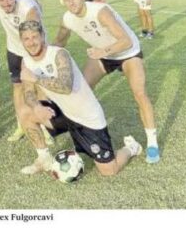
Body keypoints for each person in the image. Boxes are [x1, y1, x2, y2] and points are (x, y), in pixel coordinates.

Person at [53, 0, 160, 163]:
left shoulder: (100, 11)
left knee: (139, 93)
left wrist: (102, 52)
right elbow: (59, 42)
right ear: (63, 1)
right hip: (102, 54)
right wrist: (41, 56)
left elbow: (126, 41)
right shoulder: (67, 19)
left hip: (127, 52)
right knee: (81, 91)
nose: (72, 2)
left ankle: (152, 143)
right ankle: (86, 135)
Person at [17, 20, 142, 176]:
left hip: (88, 118)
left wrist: (36, 78)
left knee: (109, 170)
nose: (31, 42)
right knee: (25, 111)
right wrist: (36, 107)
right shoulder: (26, 61)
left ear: (42, 36)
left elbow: (66, 86)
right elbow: (28, 92)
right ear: (21, 41)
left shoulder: (58, 54)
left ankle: (131, 148)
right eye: (26, 38)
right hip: (64, 112)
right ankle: (44, 159)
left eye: (35, 37)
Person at [0, 0, 48, 142]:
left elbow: (33, 19)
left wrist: (30, 53)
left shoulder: (27, 5)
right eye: (1, 0)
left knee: (39, 87)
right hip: (14, 50)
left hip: (35, 49)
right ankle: (21, 125)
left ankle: (46, 127)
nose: (6, 3)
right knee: (18, 87)